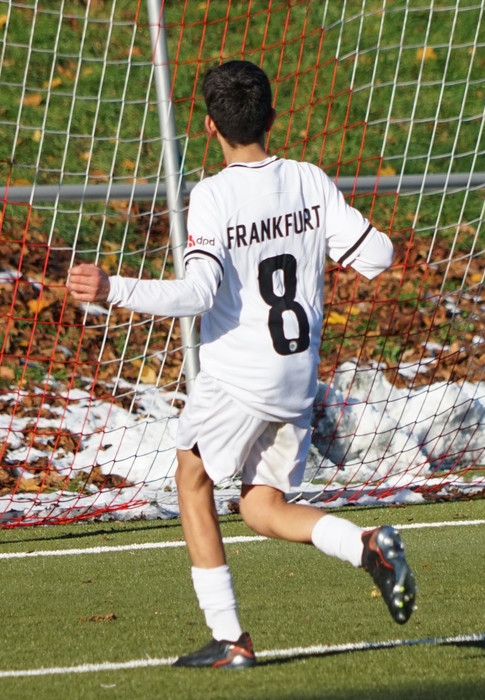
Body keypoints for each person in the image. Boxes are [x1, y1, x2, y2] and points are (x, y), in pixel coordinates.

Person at [67, 60, 416, 668]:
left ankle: (229, 638)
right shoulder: (308, 179)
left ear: (210, 127)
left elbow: (198, 294)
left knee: (192, 480)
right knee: (260, 506)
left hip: (240, 377)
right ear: (271, 117)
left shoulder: (213, 194)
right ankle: (365, 546)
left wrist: (112, 288)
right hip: (297, 375)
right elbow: (380, 255)